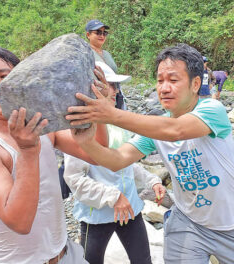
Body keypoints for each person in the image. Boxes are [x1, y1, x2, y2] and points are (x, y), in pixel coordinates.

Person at [66, 43, 234, 264]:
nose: (164, 88)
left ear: (196, 84)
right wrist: (86, 142)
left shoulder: (211, 110)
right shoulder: (155, 127)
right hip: (187, 223)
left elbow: (175, 131)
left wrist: (110, 114)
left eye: (173, 80)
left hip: (232, 224)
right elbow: (117, 160)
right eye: (160, 81)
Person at [0, 46, 108, 263]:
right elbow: (19, 222)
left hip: (62, 255)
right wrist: (28, 152)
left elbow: (98, 153)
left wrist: (96, 108)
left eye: (5, 77)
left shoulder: (41, 123)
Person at [63, 61, 165, 264]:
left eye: (115, 86)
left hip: (130, 210)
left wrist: (152, 180)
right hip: (97, 216)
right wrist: (113, 196)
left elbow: (127, 163)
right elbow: (73, 179)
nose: (115, 91)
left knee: (142, 260)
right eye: (109, 84)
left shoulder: (120, 125)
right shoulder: (80, 130)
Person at [85, 19, 126, 109]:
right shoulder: (86, 53)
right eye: (98, 32)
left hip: (115, 96)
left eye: (104, 33)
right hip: (99, 97)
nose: (102, 36)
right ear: (88, 35)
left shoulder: (107, 54)